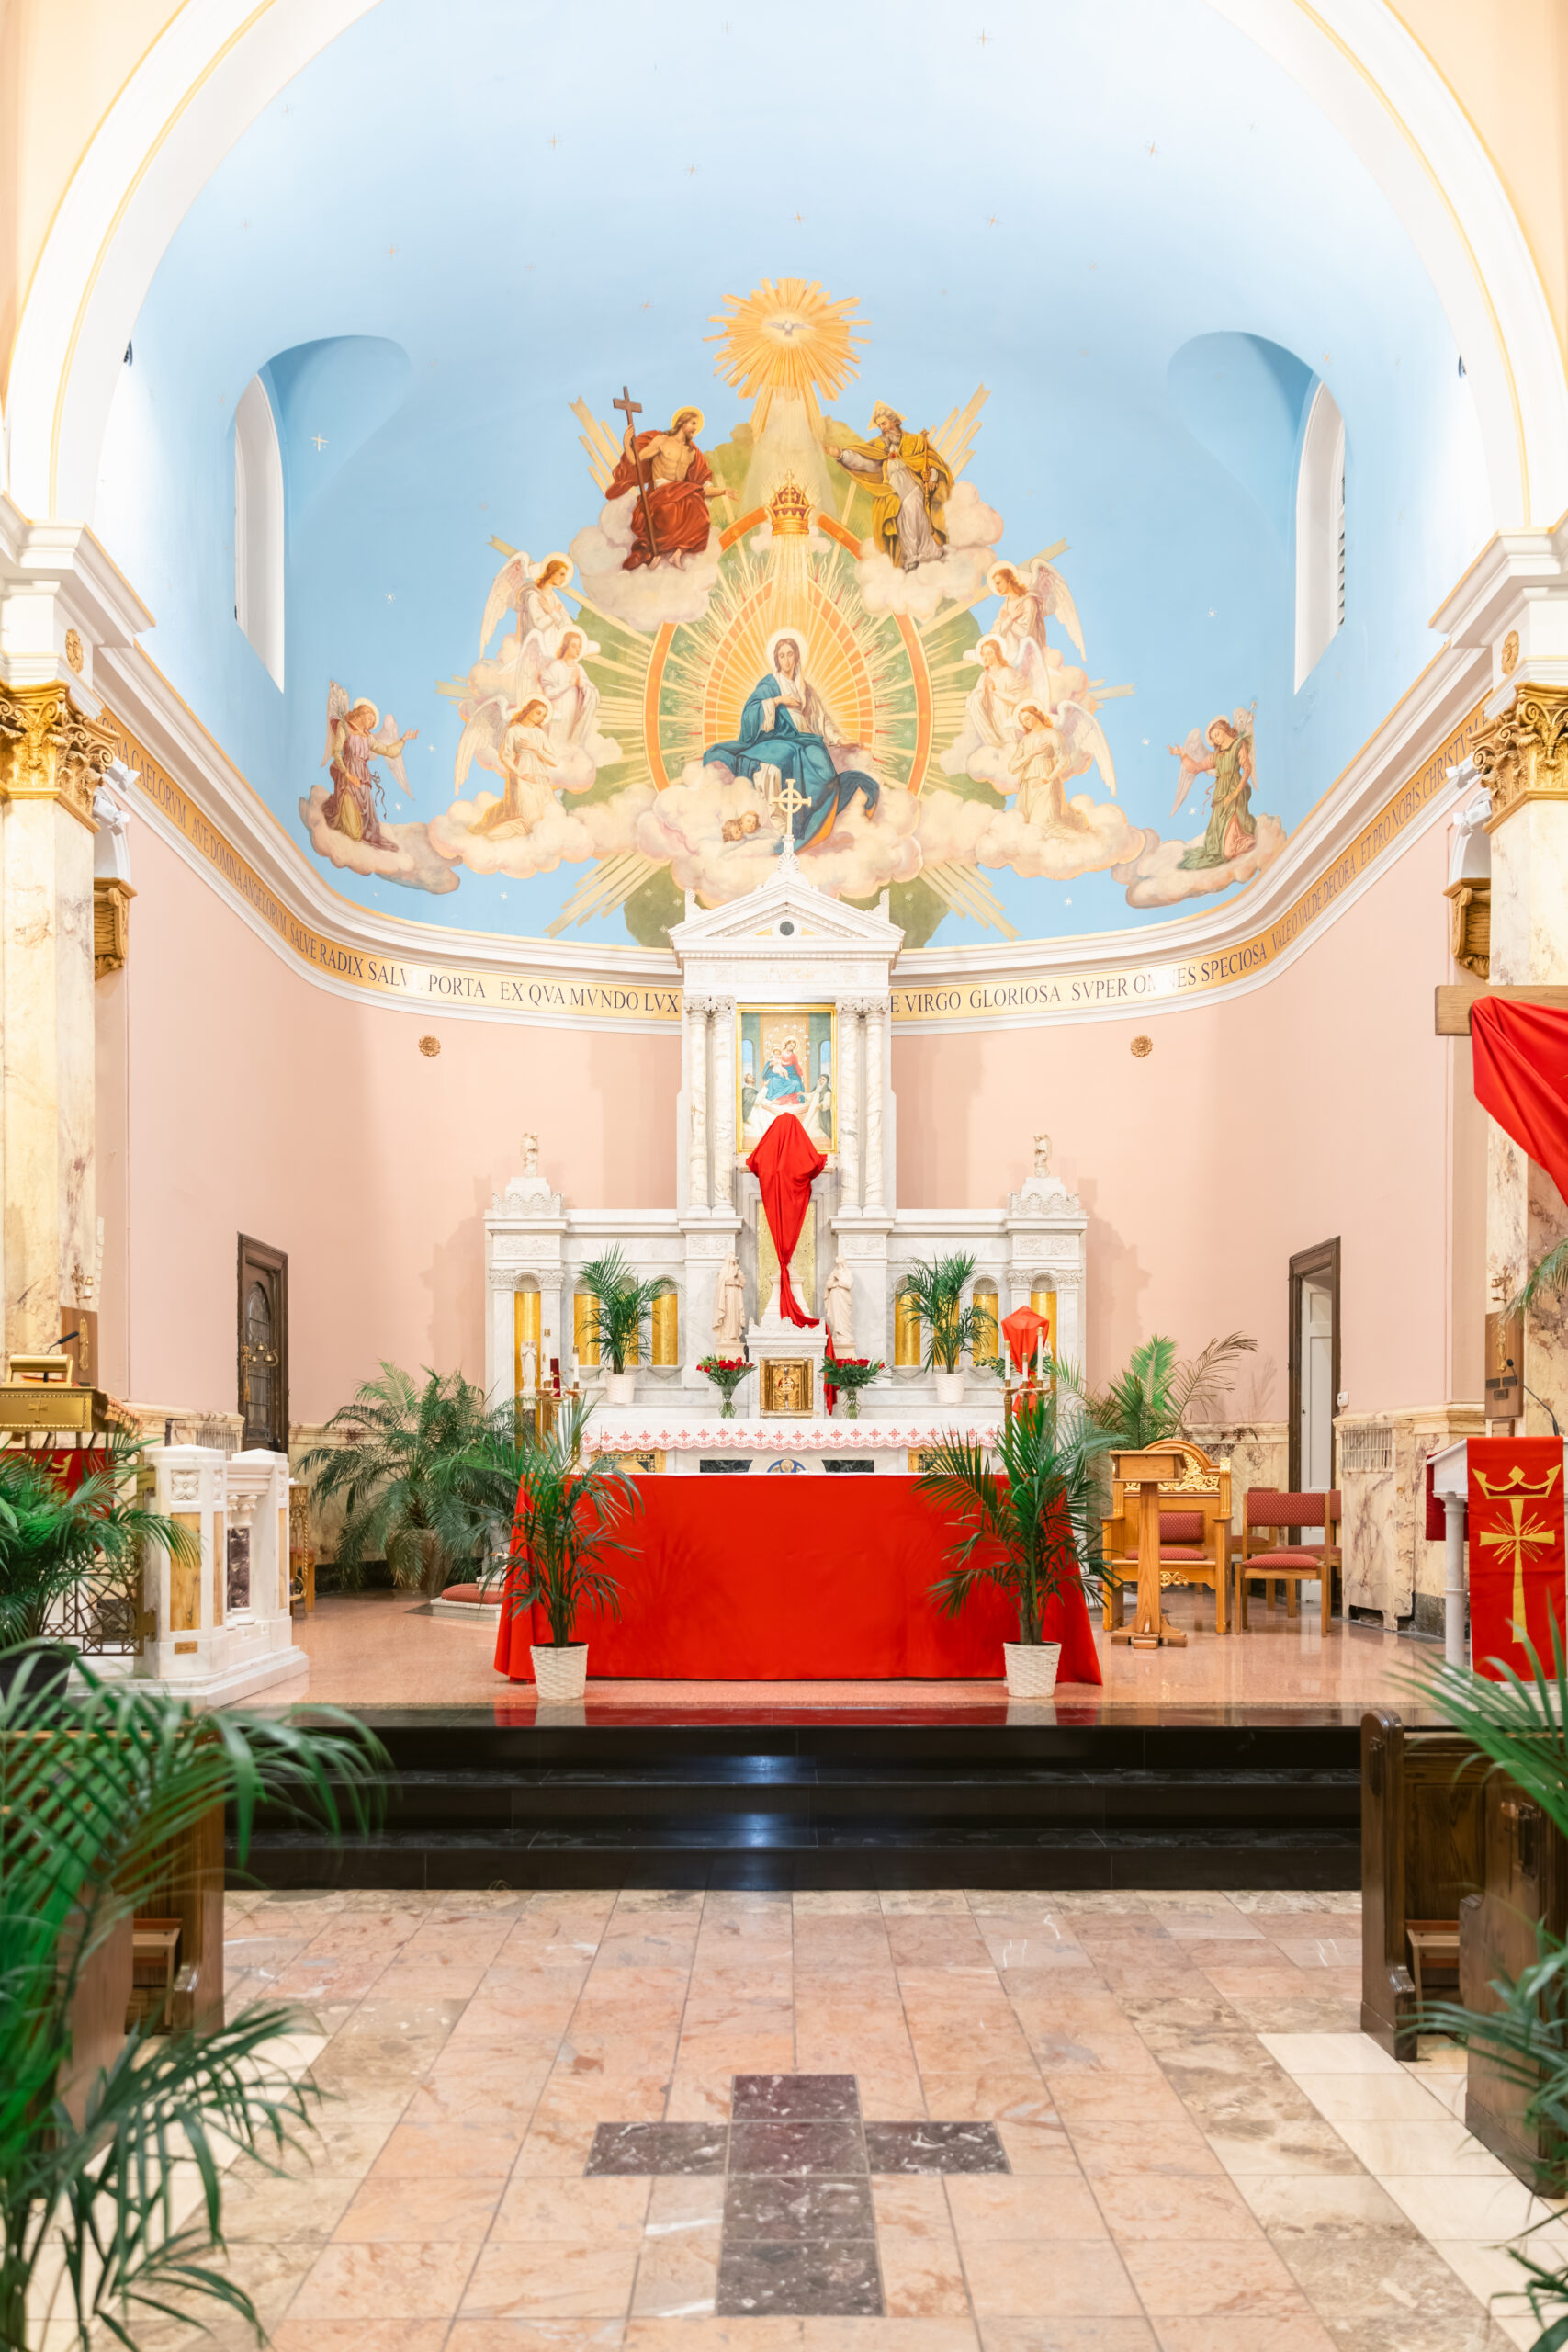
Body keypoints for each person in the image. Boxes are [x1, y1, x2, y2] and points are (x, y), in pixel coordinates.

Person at [703, 635, 879, 850]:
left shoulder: (805, 688)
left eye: (790, 655)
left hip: (805, 742)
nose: (786, 660)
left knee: (825, 775)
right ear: (777, 659)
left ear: (797, 657)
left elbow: (821, 720)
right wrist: (778, 701)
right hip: (775, 739)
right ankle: (779, 825)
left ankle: (807, 820)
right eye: (782, 655)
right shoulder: (769, 684)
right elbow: (750, 712)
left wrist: (841, 739)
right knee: (774, 766)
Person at [834, 402, 953, 571]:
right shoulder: (880, 447)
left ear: (895, 421)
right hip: (893, 493)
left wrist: (932, 476)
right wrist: (842, 455)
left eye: (884, 423)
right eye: (879, 425)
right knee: (901, 517)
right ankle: (912, 557)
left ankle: (927, 552)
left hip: (912, 488)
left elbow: (933, 463)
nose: (882, 428)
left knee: (912, 509)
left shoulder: (915, 441)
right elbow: (864, 462)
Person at [606, 408, 727, 571]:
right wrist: (626, 443)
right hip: (661, 490)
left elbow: (700, 481)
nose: (695, 428)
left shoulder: (691, 452)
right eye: (693, 424)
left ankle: (678, 552)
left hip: (682, 492)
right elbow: (636, 459)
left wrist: (724, 491)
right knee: (668, 512)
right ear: (682, 422)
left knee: (701, 513)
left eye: (697, 426)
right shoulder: (662, 441)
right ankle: (655, 551)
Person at [323, 698, 417, 848]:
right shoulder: (345, 727)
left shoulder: (369, 738)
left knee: (367, 831)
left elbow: (388, 751)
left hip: (363, 779)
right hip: (348, 776)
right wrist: (347, 775)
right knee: (354, 833)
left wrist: (404, 739)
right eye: (369, 718)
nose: (371, 723)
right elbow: (336, 751)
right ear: (360, 714)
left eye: (373, 722)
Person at [468, 698, 558, 839]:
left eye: (543, 715)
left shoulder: (539, 734)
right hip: (521, 778)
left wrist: (537, 749)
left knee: (547, 820)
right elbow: (505, 755)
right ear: (528, 710)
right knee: (529, 820)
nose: (540, 717)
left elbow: (555, 761)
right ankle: (490, 837)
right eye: (538, 712)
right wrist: (519, 773)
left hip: (539, 781)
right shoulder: (514, 731)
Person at [1176, 717, 1257, 870]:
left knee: (1227, 853)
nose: (1216, 740)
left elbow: (1247, 769)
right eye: (1213, 739)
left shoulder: (1238, 745)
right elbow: (1196, 768)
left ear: (1224, 729)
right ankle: (1237, 841)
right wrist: (1182, 755)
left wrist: (1234, 794)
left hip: (1235, 795)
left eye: (1217, 734)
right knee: (1217, 849)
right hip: (1220, 798)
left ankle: (1245, 840)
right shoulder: (1217, 756)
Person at [712, 1254, 747, 1350]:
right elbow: (722, 1281)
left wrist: (737, 1277)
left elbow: (743, 1282)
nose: (734, 1258)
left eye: (734, 1257)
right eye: (731, 1256)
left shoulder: (738, 1270)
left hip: (735, 1295)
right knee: (727, 1314)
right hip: (727, 1295)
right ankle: (726, 1336)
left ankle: (734, 1335)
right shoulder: (723, 1271)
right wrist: (732, 1276)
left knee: (735, 1315)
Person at [823, 1256, 855, 1357]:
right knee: (835, 1317)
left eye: (839, 1259)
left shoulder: (847, 1272)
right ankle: (837, 1334)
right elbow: (828, 1284)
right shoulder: (834, 1271)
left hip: (843, 1297)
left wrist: (839, 1279)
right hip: (834, 1297)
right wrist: (834, 1282)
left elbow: (849, 1285)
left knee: (844, 1317)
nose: (837, 1261)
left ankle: (844, 1335)